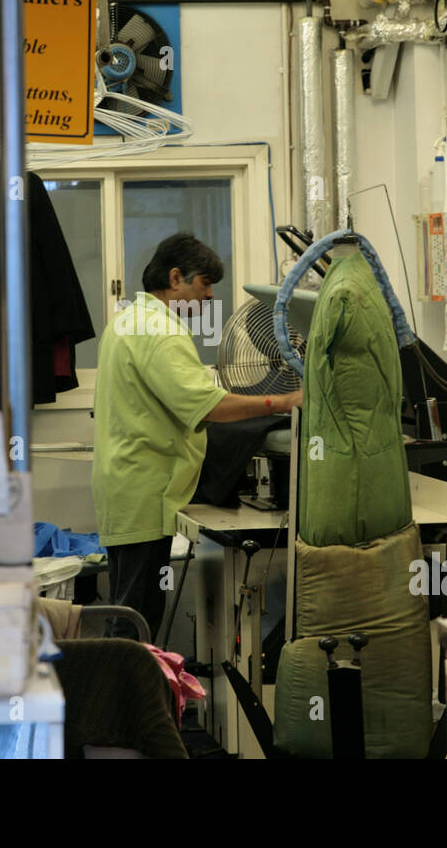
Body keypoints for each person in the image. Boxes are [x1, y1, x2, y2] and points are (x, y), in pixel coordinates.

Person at [92, 232, 302, 641]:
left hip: (123, 488)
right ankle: (129, 701)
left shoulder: (127, 321)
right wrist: (284, 401)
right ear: (176, 279)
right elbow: (209, 406)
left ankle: (128, 698)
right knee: (137, 621)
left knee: (129, 610)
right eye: (204, 284)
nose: (208, 297)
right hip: (144, 492)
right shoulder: (162, 332)